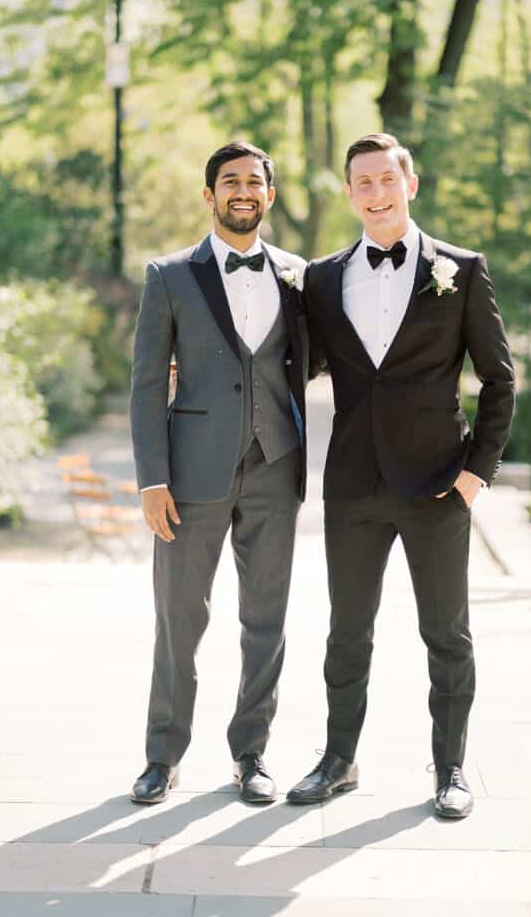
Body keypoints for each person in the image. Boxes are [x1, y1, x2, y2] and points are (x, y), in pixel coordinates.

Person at [287, 133, 515, 818]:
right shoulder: (322, 279)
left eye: (387, 178)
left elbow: (498, 379)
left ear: (408, 185)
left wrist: (477, 472)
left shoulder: (461, 269)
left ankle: (450, 771)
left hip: (438, 481)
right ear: (350, 193)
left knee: (446, 634)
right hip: (352, 483)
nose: (376, 192)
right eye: (362, 182)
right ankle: (337, 760)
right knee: (346, 630)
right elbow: (299, 364)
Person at [129, 141, 309, 806]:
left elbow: (312, 362)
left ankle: (252, 755)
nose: (242, 191)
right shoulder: (169, 275)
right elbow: (147, 383)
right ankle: (161, 756)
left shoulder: (299, 275)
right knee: (179, 618)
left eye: (253, 182)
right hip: (188, 476)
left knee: (266, 621)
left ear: (269, 193)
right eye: (229, 181)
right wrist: (152, 479)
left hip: (276, 467)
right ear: (209, 195)